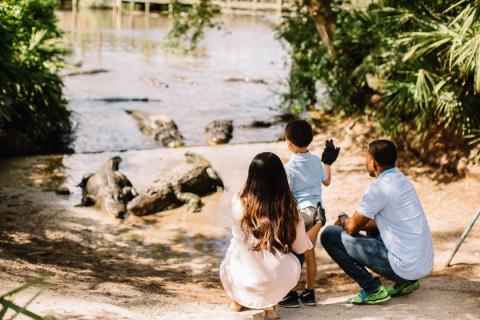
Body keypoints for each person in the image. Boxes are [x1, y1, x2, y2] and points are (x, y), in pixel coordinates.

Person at [321, 139, 434, 305]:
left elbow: (352, 228)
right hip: (422, 264)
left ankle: (372, 289)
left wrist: (343, 219)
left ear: (374, 163)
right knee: (373, 221)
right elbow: (383, 221)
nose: (365, 162)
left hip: (404, 267)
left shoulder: (378, 188)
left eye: (366, 158)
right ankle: (408, 282)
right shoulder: (403, 181)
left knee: (329, 235)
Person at [219, 152, 313, 318]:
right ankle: (270, 303)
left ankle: (237, 300)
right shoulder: (289, 207)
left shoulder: (239, 201)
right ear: (281, 177)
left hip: (243, 275)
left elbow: (238, 238)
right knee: (292, 259)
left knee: (233, 252)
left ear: (252, 176)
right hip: (277, 279)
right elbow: (299, 248)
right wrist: (309, 229)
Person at [278, 120, 340, 307]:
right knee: (309, 252)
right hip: (317, 212)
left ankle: (289, 294)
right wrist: (327, 162)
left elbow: (287, 196)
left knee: (289, 252)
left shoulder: (289, 167)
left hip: (301, 214)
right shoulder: (315, 160)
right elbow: (326, 181)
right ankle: (309, 293)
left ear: (288, 143)